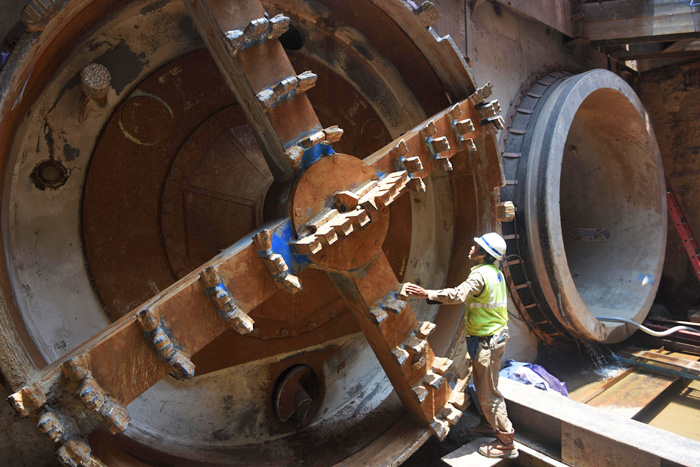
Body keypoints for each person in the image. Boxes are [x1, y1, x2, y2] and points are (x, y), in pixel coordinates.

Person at [405, 232, 518, 459]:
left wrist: (426, 293)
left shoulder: (480, 276)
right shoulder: (494, 273)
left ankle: (506, 442)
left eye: (476, 246)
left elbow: (458, 295)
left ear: (485, 254)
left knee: (488, 393)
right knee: (485, 384)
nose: (472, 246)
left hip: (487, 341)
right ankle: (488, 425)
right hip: (491, 338)